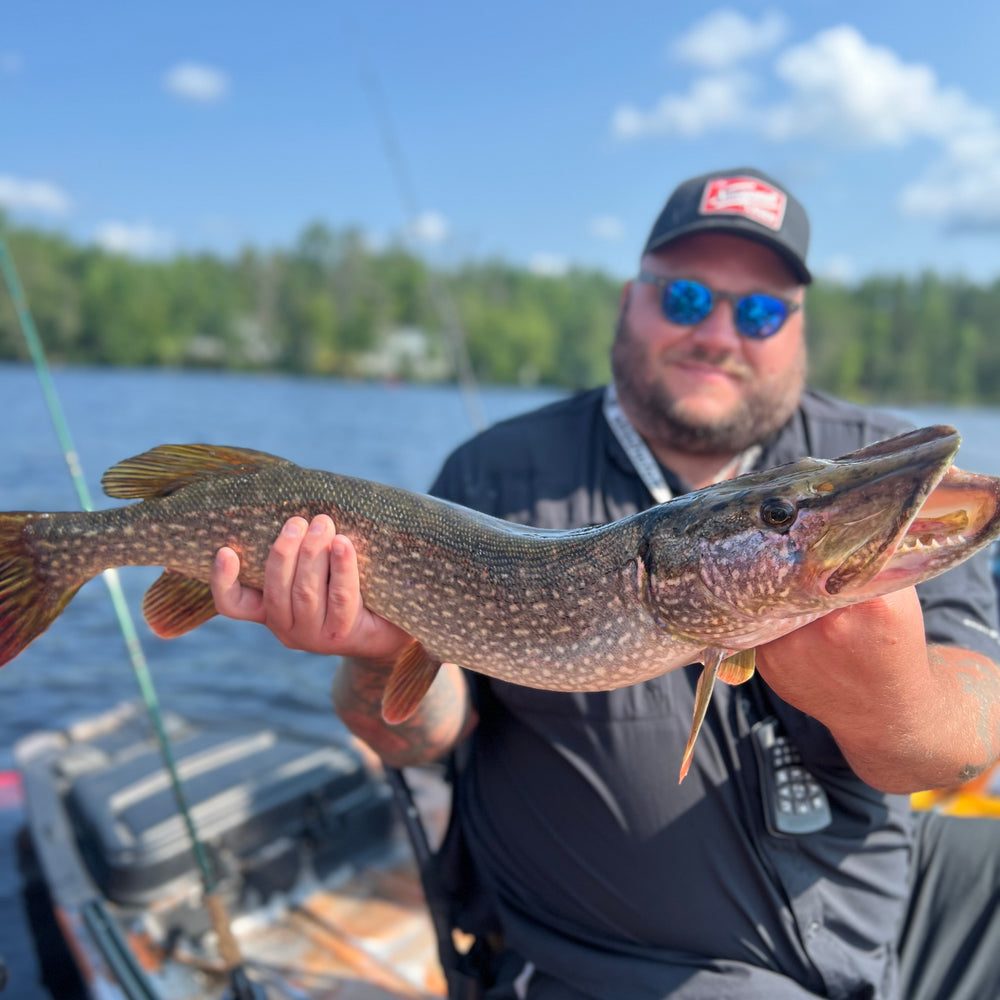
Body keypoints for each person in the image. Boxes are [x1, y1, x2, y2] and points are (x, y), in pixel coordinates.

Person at [210, 167, 1000, 1000]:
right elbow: (419, 737)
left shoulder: (863, 453)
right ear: (631, 300)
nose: (719, 334)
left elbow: (974, 727)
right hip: (628, 963)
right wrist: (375, 657)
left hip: (879, 909)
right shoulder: (492, 475)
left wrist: (890, 697)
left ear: (798, 330)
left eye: (761, 311)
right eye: (686, 299)